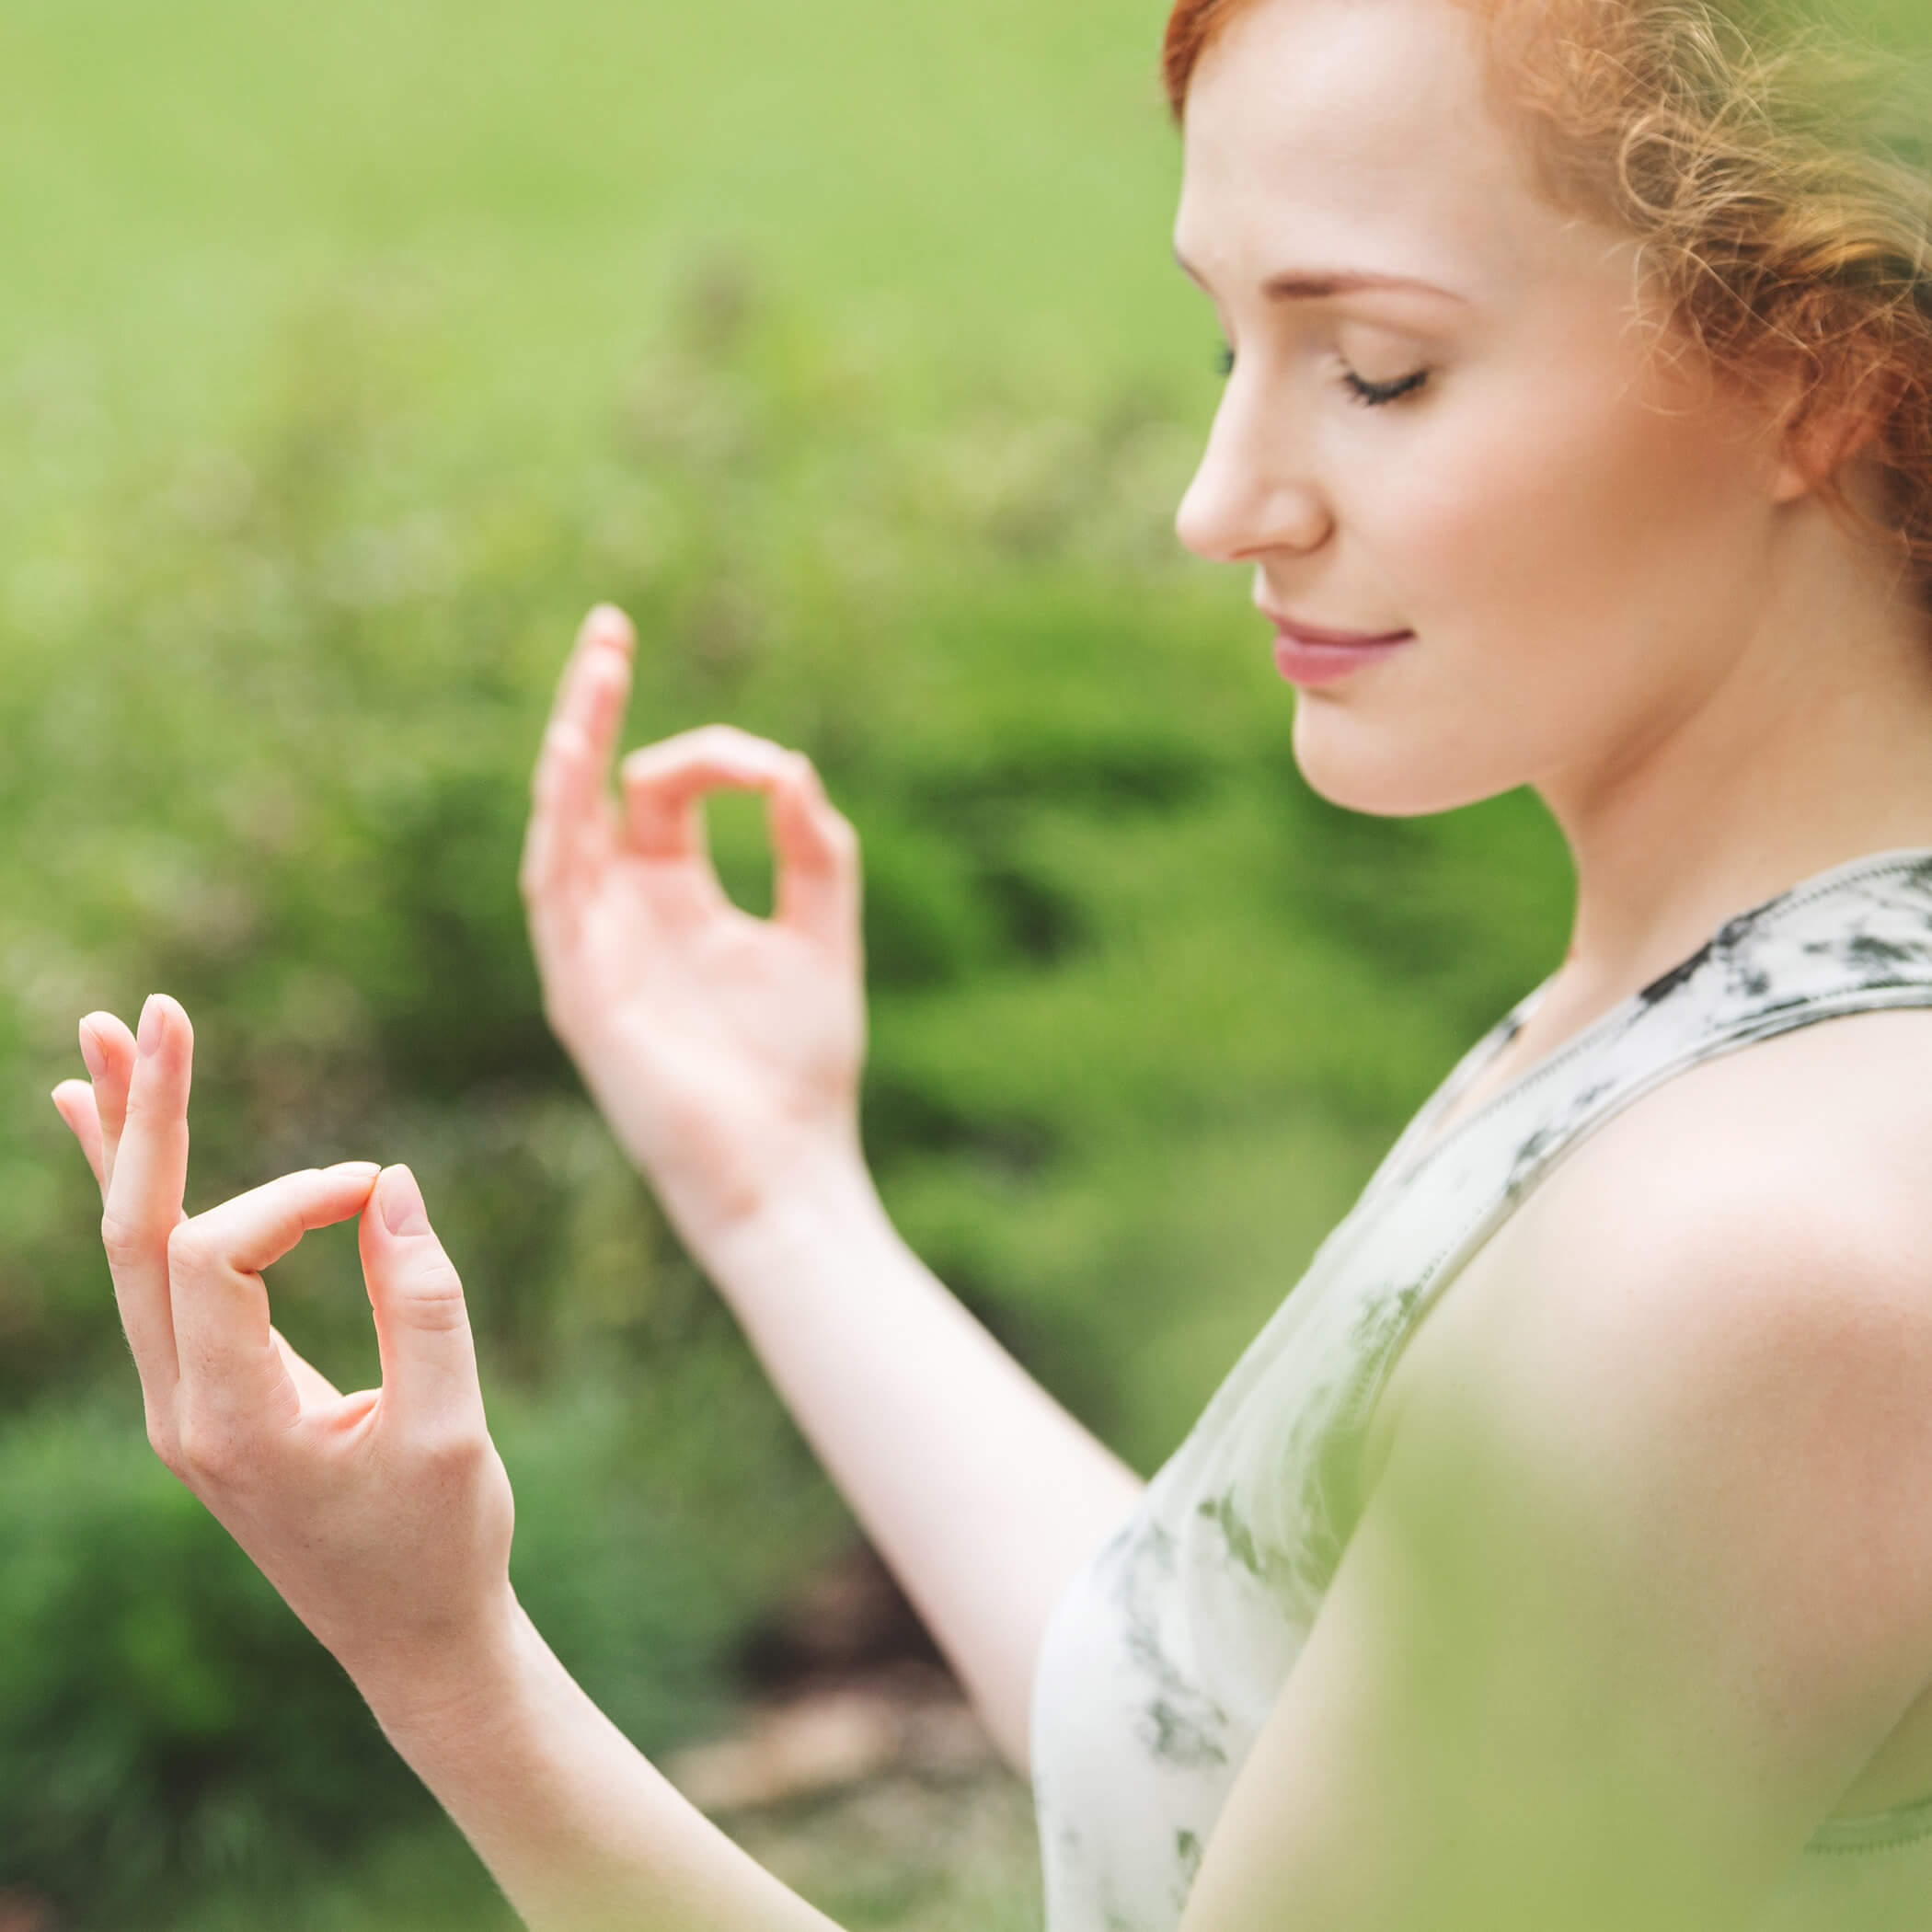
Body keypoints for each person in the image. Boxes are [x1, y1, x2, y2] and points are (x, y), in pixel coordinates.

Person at [48, 0, 1932, 1925]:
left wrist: (444, 1667)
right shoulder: (1710, 1012)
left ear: (1818, 382)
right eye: (1231, 341)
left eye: (1376, 369)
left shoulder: (1748, 1270)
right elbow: (1225, 1726)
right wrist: (774, 1182)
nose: (1219, 504)